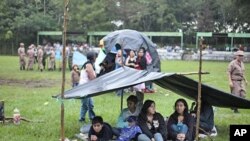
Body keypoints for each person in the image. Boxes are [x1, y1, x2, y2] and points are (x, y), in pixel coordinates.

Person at [79, 51, 96, 122]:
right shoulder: (88, 64)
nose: (96, 58)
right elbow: (91, 77)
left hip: (88, 87)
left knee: (90, 104)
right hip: (84, 87)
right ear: (93, 57)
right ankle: (81, 119)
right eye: (95, 56)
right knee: (85, 105)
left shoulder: (89, 64)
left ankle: (92, 117)